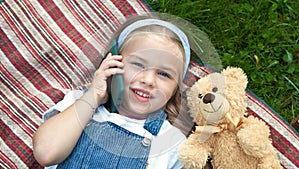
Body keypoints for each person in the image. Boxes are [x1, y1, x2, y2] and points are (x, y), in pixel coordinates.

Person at [32, 14, 191, 169]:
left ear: (175, 89)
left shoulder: (172, 142)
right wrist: (93, 96)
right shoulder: (80, 104)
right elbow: (46, 154)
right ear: (112, 62)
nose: (148, 80)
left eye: (164, 74)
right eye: (138, 64)